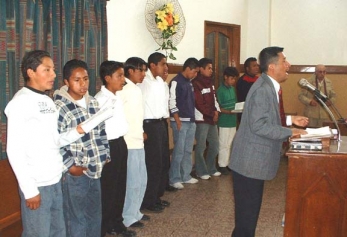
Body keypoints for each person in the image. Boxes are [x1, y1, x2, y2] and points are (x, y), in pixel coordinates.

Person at [229, 46, 309, 237]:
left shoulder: (268, 85)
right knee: (246, 223)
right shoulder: (264, 89)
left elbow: (265, 117)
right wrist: (289, 131)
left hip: (252, 163)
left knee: (246, 220)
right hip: (249, 163)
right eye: (284, 61)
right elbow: (259, 125)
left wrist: (290, 120)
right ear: (272, 67)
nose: (288, 65)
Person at [5, 50, 85, 237]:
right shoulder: (20, 103)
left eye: (53, 69)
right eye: (47, 70)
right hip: (38, 184)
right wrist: (29, 189)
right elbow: (14, 150)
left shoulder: (48, 101)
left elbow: (54, 140)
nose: (53, 75)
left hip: (55, 179)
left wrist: (77, 131)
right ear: (30, 72)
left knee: (58, 232)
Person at [54, 59, 110, 237]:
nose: (83, 84)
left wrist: (105, 154)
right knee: (76, 218)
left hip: (95, 168)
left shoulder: (93, 102)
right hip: (76, 172)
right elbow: (55, 141)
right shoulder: (60, 107)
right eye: (77, 80)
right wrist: (71, 166)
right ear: (66, 82)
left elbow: (101, 131)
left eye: (85, 79)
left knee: (94, 214)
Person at [94, 61, 137, 237]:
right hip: (108, 146)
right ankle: (105, 227)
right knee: (109, 189)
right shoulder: (99, 100)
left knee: (120, 186)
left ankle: (117, 223)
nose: (123, 80)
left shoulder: (116, 96)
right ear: (107, 78)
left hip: (120, 143)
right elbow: (97, 130)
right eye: (119, 76)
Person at [117, 57, 150, 230]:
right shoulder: (123, 89)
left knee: (141, 179)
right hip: (128, 142)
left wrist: (141, 130)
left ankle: (136, 211)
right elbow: (118, 114)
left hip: (138, 141)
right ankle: (128, 216)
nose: (143, 74)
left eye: (145, 70)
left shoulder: (136, 89)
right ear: (130, 71)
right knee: (132, 182)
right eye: (141, 70)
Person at [138, 52, 171, 213]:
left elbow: (164, 104)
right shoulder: (144, 82)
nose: (166, 67)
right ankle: (149, 200)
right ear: (153, 65)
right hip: (149, 125)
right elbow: (139, 107)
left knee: (163, 161)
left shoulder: (160, 82)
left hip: (161, 124)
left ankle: (157, 196)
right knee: (153, 163)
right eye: (162, 64)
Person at [168, 57, 200, 189]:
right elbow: (171, 102)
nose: (196, 74)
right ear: (188, 69)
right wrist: (177, 119)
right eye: (195, 71)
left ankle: (185, 176)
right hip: (180, 121)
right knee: (179, 151)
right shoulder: (176, 81)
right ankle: (174, 178)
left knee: (187, 150)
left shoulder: (189, 82)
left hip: (190, 121)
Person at [192, 58, 221, 180]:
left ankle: (211, 168)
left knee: (215, 145)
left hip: (211, 118)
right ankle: (201, 171)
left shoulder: (210, 82)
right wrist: (211, 114)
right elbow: (199, 103)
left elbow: (214, 99)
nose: (211, 70)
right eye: (209, 68)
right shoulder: (196, 83)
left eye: (212, 68)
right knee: (201, 146)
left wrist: (217, 111)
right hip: (201, 119)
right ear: (201, 69)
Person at [216, 66, 239, 175]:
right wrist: (228, 112)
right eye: (231, 79)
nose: (233, 81)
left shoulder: (232, 89)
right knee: (223, 144)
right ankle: (222, 165)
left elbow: (234, 104)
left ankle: (229, 163)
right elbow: (218, 107)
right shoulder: (220, 90)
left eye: (234, 79)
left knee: (231, 143)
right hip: (224, 121)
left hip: (233, 121)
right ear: (225, 77)